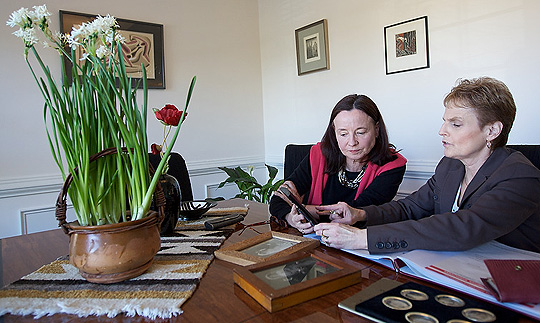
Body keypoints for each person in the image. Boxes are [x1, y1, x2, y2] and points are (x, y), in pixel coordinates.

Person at [313, 77, 540, 253]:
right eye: (445, 122)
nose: (442, 131)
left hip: (516, 285)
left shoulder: (520, 176)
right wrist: (359, 215)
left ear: (492, 131)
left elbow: (461, 229)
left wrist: (361, 239)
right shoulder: (450, 166)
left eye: (456, 124)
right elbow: (409, 208)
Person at [269, 94, 407, 233]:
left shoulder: (393, 165)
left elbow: (356, 214)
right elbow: (279, 199)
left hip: (356, 245)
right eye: (343, 134)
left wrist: (304, 208)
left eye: (360, 132)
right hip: (311, 241)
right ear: (334, 132)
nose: (352, 142)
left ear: (376, 130)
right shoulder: (318, 155)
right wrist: (290, 217)